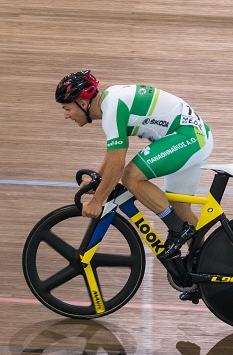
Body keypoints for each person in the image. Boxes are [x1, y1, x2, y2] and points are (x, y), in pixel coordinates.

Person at [55, 70, 214, 260]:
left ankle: (179, 230)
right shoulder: (110, 101)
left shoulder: (112, 108)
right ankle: (207, 261)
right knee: (180, 207)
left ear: (82, 103)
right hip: (195, 137)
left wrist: (98, 201)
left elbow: (118, 161)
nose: (66, 115)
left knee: (131, 176)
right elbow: (114, 153)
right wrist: (97, 177)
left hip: (188, 137)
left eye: (67, 108)